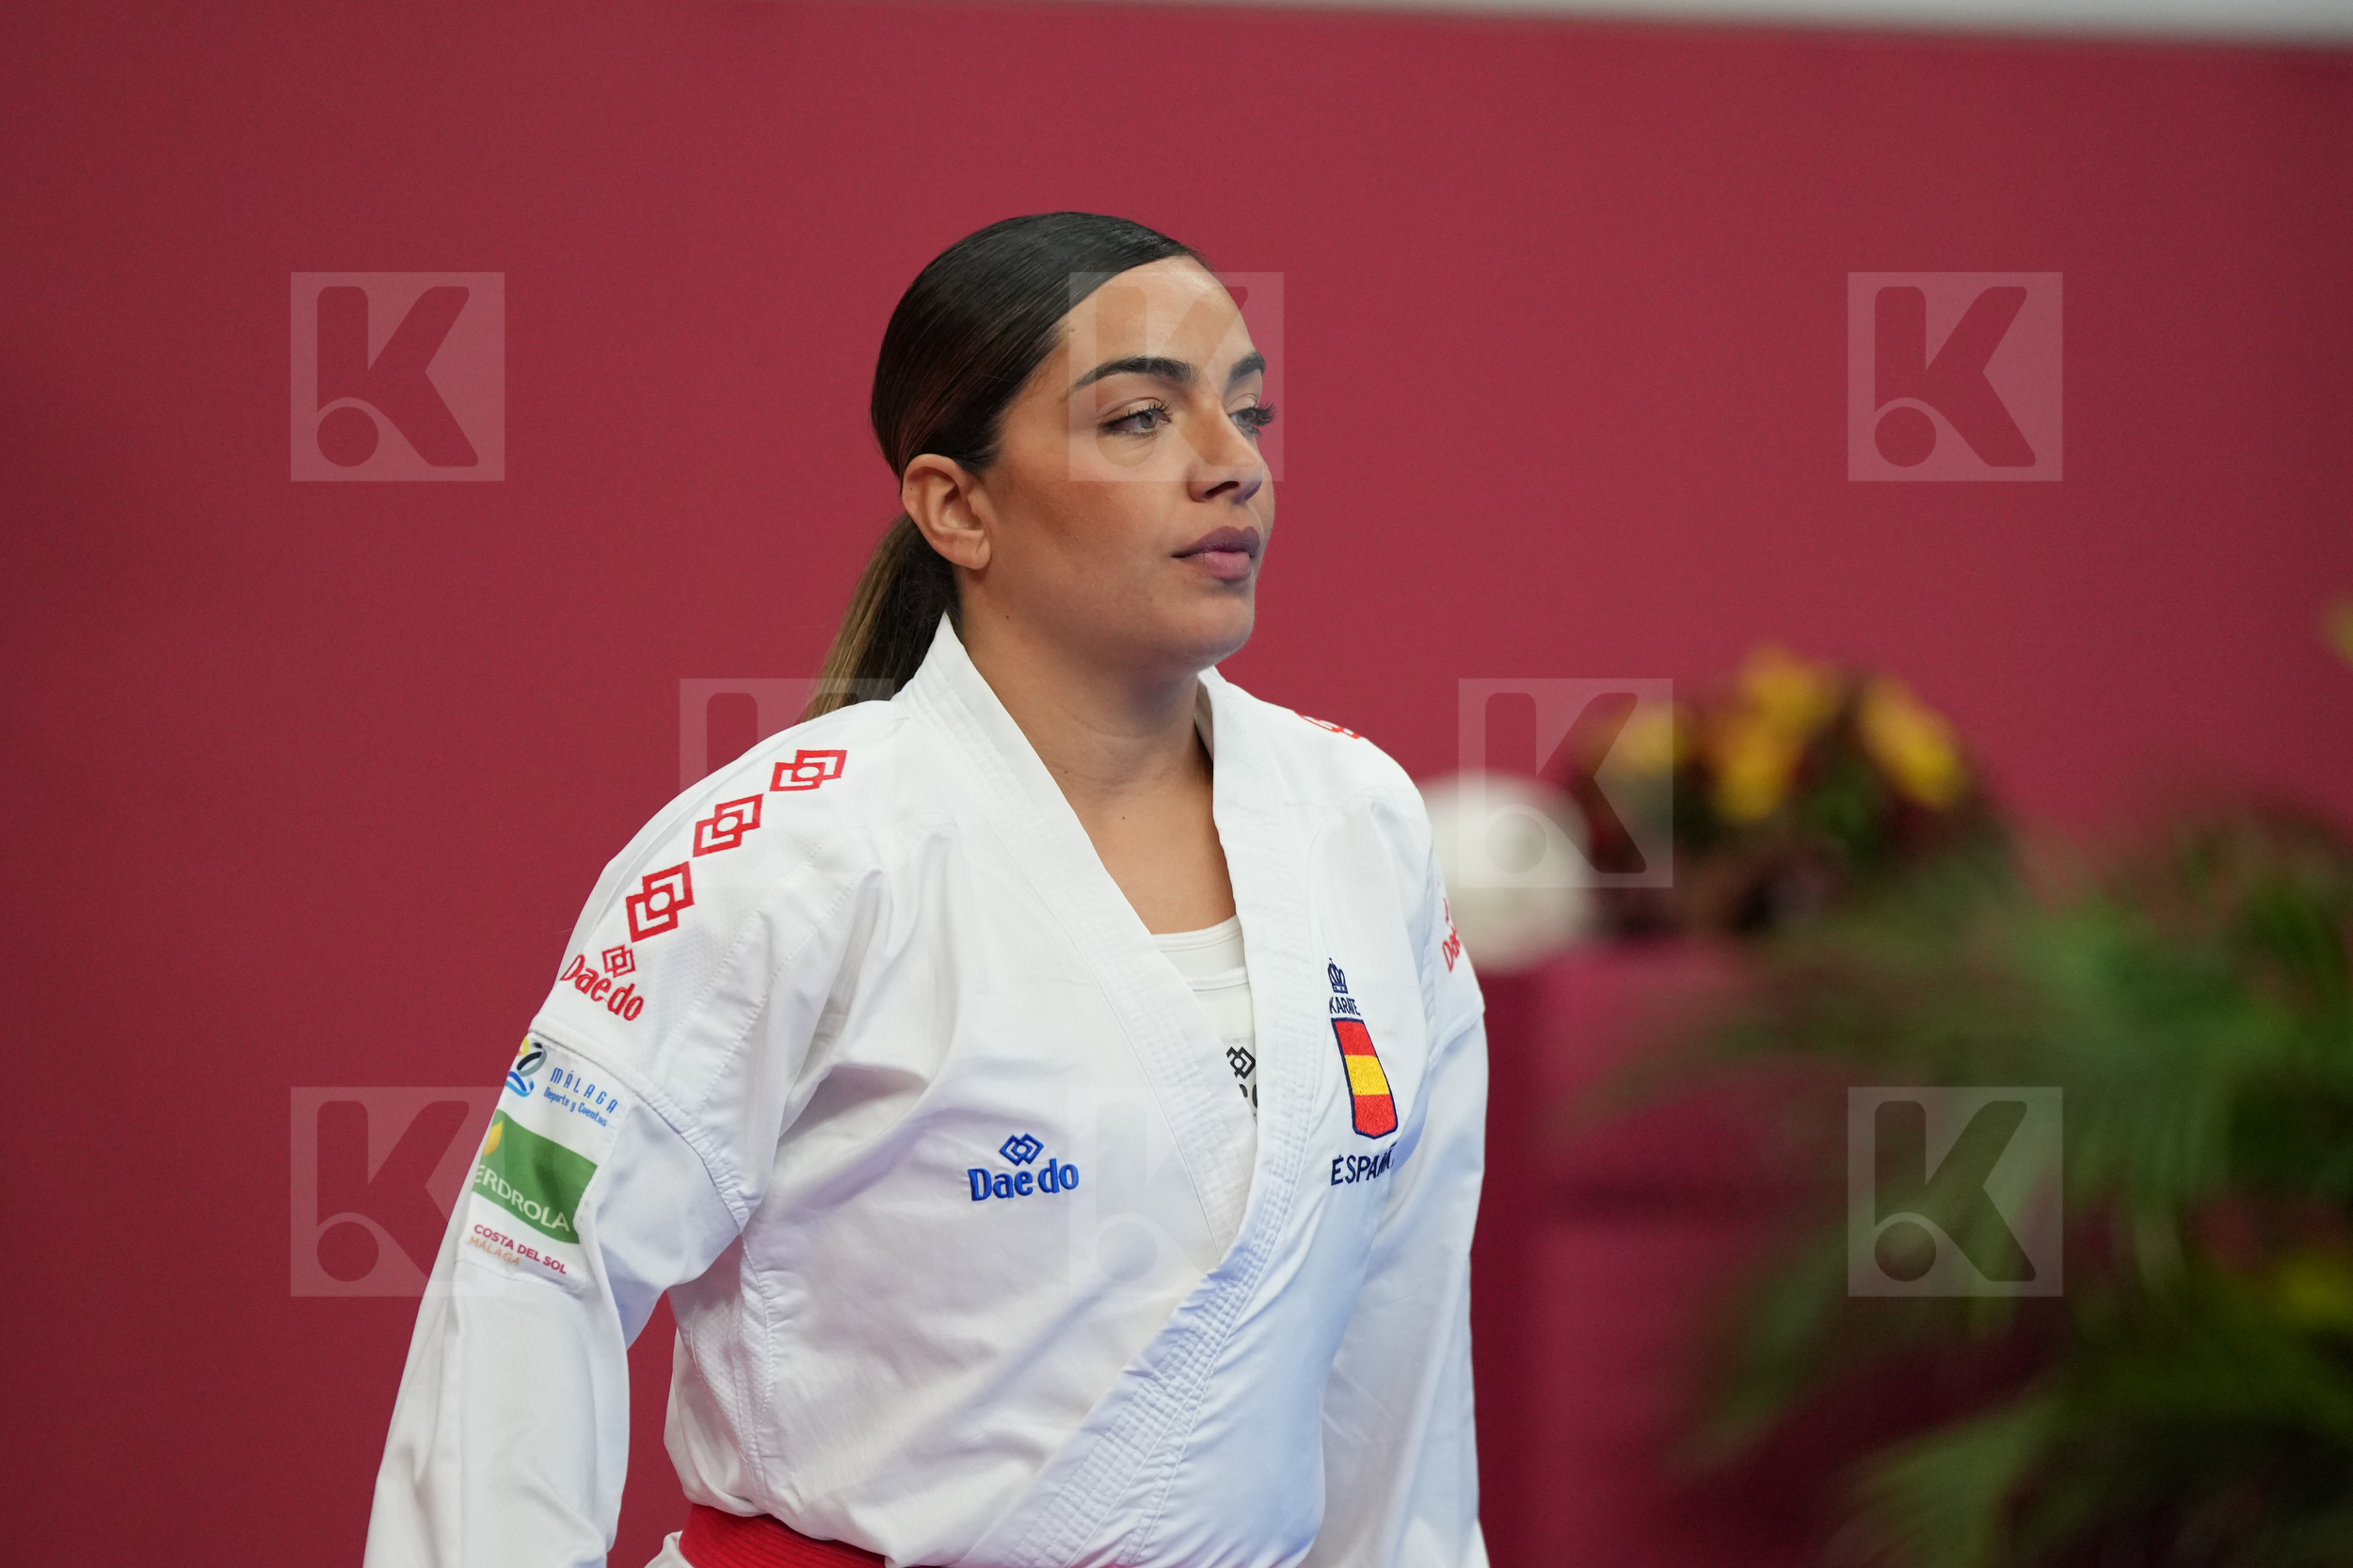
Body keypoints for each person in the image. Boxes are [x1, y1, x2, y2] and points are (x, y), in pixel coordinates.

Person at [363, 211, 1489, 1568]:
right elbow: (530, 1268)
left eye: (1248, 414)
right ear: (956, 504)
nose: (1231, 466)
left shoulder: (1358, 825)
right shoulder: (790, 851)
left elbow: (1403, 1338)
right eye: (1140, 419)